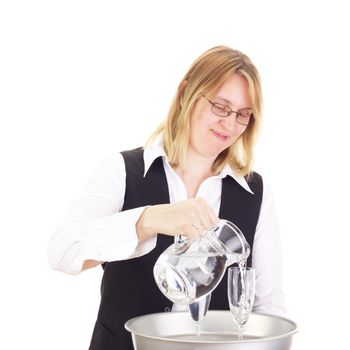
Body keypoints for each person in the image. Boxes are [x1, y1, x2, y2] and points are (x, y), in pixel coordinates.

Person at [48, 45, 285, 350]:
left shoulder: (255, 194)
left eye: (242, 115)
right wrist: (147, 221)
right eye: (221, 107)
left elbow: (267, 309)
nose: (230, 124)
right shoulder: (122, 171)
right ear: (186, 93)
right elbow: (61, 252)